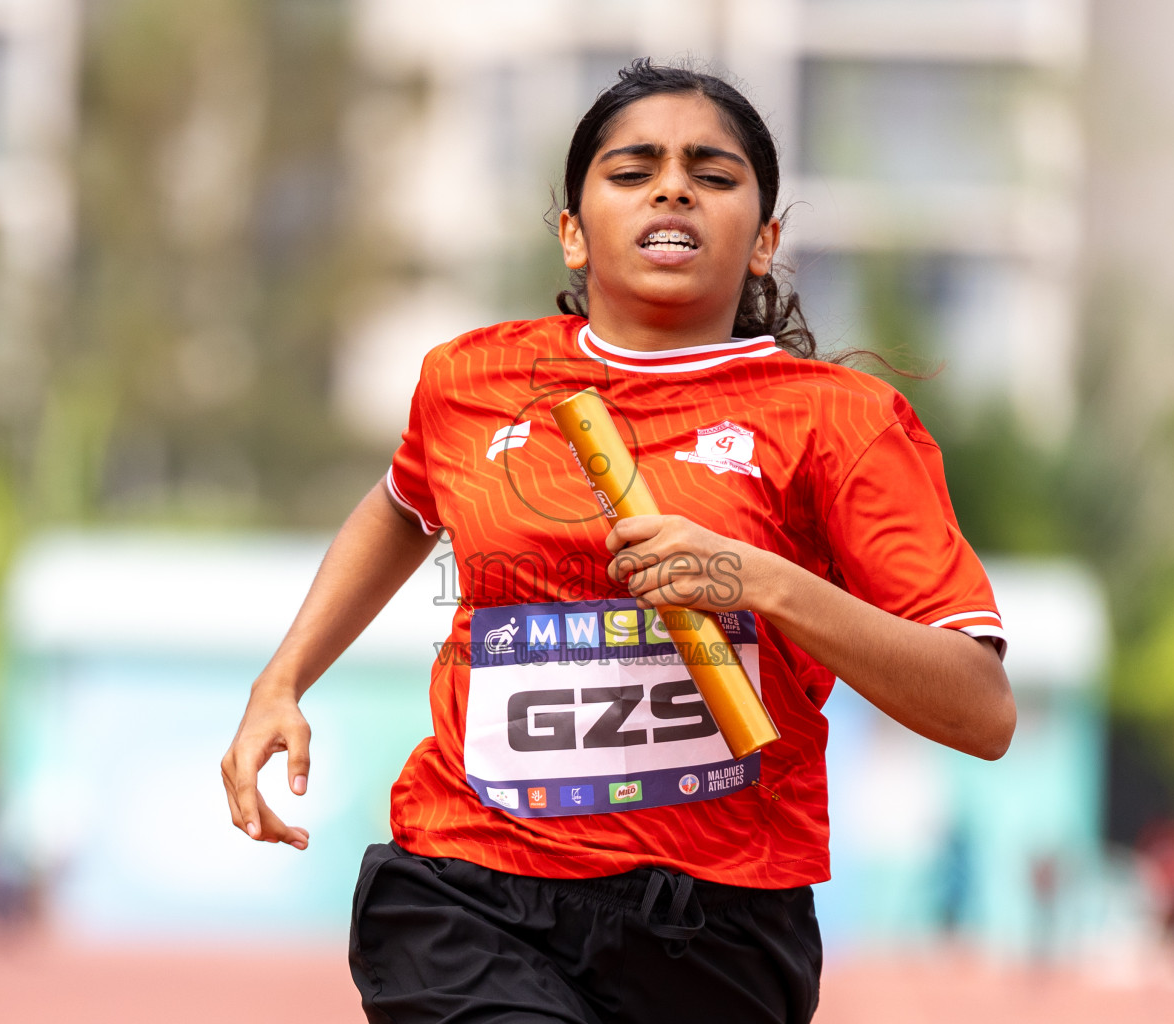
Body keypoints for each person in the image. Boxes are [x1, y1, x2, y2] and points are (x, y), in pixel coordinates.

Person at [221, 59, 1016, 1023]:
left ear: (764, 241)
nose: (672, 186)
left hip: (717, 924)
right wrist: (283, 679)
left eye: (712, 174)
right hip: (470, 881)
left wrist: (764, 583)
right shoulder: (473, 380)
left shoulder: (842, 424)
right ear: (571, 233)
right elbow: (401, 503)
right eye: (633, 170)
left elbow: (982, 712)